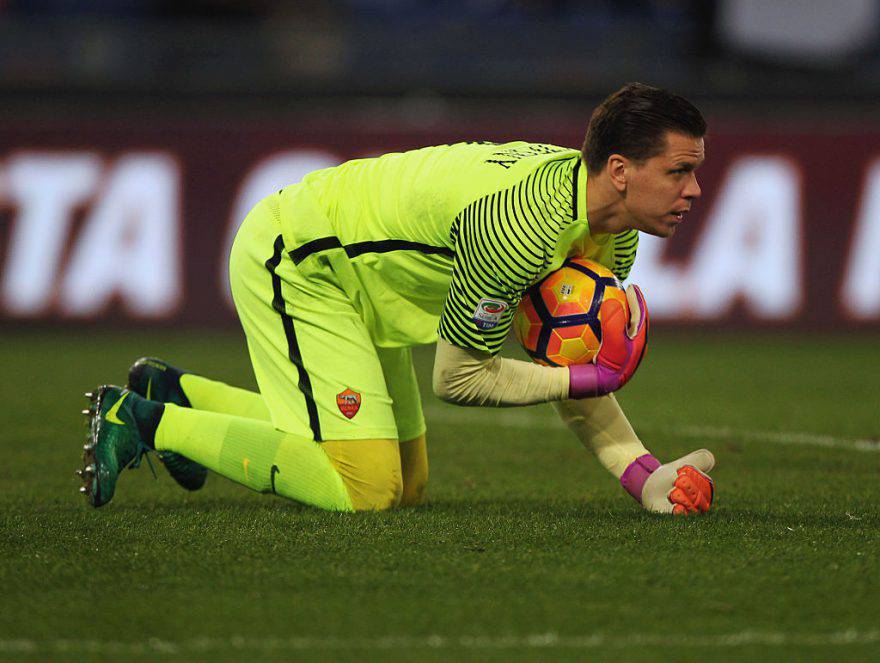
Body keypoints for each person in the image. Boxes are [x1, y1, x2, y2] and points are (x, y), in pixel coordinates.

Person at [78, 82, 715, 515]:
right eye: (678, 171)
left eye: (696, 171)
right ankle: (138, 420)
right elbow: (461, 379)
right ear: (622, 170)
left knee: (405, 487)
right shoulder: (523, 227)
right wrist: (582, 377)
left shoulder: (610, 232)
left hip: (370, 282)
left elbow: (564, 366)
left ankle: (178, 394)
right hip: (303, 258)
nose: (692, 191)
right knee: (364, 489)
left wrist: (642, 475)